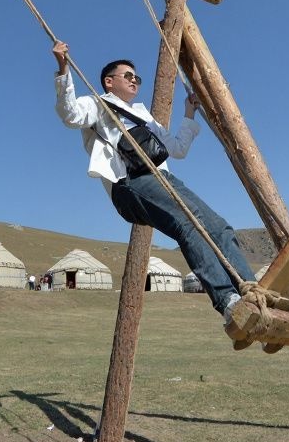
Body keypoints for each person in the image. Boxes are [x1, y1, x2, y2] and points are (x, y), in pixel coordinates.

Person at [51, 41, 258, 327]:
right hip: (129, 182)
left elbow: (177, 148)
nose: (134, 80)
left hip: (162, 177)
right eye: (128, 76)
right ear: (109, 82)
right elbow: (70, 114)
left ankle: (254, 294)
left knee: (218, 226)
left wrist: (189, 113)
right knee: (187, 225)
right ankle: (229, 303)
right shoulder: (96, 104)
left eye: (137, 77)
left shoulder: (143, 115)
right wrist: (63, 68)